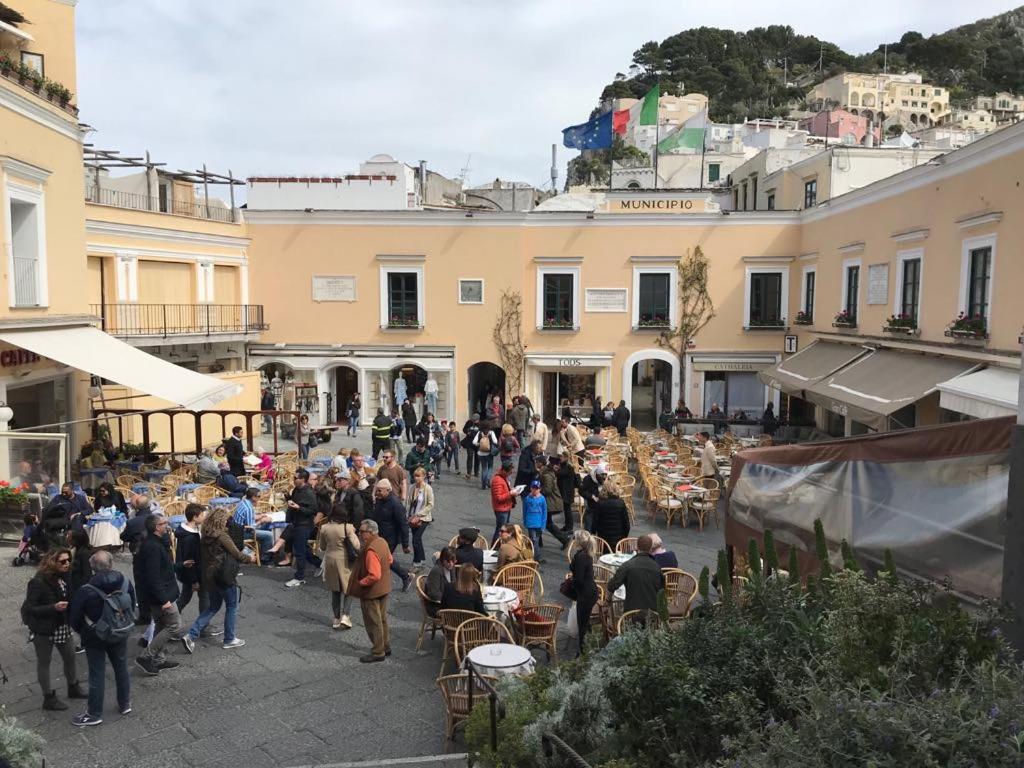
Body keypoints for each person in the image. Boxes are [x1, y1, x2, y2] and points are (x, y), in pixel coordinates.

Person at [68, 550, 134, 726]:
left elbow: (74, 617)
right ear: (111, 564)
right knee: (121, 667)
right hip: (119, 631)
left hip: (94, 634)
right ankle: (125, 703)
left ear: (92, 568)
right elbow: (133, 605)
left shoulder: (86, 590)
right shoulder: (125, 582)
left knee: (97, 673)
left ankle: (94, 713)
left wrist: (82, 631)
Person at [181, 508, 254, 653]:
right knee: (232, 606)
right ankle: (229, 639)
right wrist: (250, 558)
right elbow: (237, 554)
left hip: (209, 576)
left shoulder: (204, 535)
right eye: (226, 520)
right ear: (222, 521)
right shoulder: (222, 536)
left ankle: (191, 635)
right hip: (223, 576)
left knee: (213, 607)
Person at [21, 548, 86, 711]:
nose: (67, 564)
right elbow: (30, 608)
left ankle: (73, 687)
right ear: (52, 562)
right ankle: (48, 698)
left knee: (70, 657)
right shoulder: (38, 582)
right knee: (44, 662)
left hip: (62, 625)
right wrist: (53, 607)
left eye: (68, 560)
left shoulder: (64, 577)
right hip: (43, 629)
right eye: (62, 561)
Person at [134, 515, 185, 675]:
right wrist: (164, 599)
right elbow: (153, 576)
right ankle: (145, 656)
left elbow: (163, 568)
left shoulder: (154, 543)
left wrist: (179, 565)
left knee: (162, 625)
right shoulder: (153, 547)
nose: (167, 525)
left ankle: (159, 659)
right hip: (162, 595)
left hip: (160, 593)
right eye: (164, 524)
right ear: (157, 527)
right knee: (175, 625)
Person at [349, 519, 393, 663]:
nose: (360, 534)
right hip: (384, 587)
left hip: (371, 592)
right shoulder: (382, 542)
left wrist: (361, 582)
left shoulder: (370, 549)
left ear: (371, 532)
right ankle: (385, 646)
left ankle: (378, 652)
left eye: (362, 532)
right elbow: (390, 559)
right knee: (382, 619)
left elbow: (374, 575)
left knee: (373, 622)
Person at [317, 504, 361, 630]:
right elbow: (357, 545)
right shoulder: (348, 527)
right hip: (346, 561)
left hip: (330, 560)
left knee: (335, 590)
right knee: (349, 588)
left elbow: (323, 547)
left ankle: (336, 618)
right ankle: (346, 615)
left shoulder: (324, 528)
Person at [368, 479, 412, 592]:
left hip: (391, 538)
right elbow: (376, 515)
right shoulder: (380, 499)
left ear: (388, 490)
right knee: (384, 559)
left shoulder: (396, 504)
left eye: (379, 490)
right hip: (379, 535)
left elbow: (404, 524)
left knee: (384, 559)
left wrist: (405, 544)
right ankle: (404, 576)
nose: (377, 493)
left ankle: (405, 576)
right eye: (377, 490)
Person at [607, 534, 664, 614]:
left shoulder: (627, 565)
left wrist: (607, 600)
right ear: (651, 549)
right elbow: (662, 591)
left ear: (637, 547)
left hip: (631, 613)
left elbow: (612, 585)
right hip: (652, 614)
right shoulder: (657, 567)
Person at [284, 469, 322, 588]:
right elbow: (294, 502)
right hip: (296, 523)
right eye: (294, 478)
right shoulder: (297, 490)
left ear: (303, 480)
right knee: (303, 549)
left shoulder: (309, 493)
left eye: (296, 478)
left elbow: (313, 510)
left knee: (299, 552)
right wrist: (288, 497)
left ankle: (299, 577)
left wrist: (298, 507)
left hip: (304, 525)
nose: (294, 480)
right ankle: (320, 564)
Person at [568, 530, 599, 657]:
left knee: (582, 623)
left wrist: (573, 584)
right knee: (585, 621)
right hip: (590, 591)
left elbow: (579, 579)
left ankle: (583, 651)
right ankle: (589, 644)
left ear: (578, 542)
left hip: (586, 594)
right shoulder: (586, 554)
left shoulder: (581, 557)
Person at [174, 504, 208, 619]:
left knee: (185, 597)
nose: (204, 517)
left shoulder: (189, 531)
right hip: (195, 574)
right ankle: (203, 625)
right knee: (204, 597)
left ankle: (171, 618)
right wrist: (194, 580)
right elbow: (190, 561)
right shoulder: (190, 538)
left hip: (190, 573)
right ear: (195, 517)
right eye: (202, 515)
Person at [232, 487, 274, 561]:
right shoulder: (248, 508)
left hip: (237, 530)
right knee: (269, 535)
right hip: (242, 533)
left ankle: (265, 549)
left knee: (267, 525)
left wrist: (260, 516)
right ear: (253, 497)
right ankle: (265, 558)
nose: (259, 498)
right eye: (258, 496)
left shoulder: (244, 502)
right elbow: (251, 528)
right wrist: (261, 521)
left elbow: (248, 517)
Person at [590, 478, 631, 551]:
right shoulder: (621, 503)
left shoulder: (600, 503)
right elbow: (626, 523)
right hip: (619, 538)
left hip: (603, 538)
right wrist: (624, 536)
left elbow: (595, 522)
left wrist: (594, 533)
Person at [537, 458, 570, 548]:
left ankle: (564, 539)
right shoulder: (545, 473)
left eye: (537, 463)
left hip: (551, 503)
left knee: (546, 523)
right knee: (546, 523)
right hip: (550, 503)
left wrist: (537, 491)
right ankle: (538, 543)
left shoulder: (546, 475)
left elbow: (547, 490)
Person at [406, 467, 434, 570]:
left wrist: (419, 514)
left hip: (424, 518)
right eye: (415, 476)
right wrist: (408, 515)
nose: (416, 478)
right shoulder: (412, 487)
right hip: (412, 517)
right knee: (418, 539)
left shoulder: (427, 488)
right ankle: (422, 559)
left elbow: (430, 505)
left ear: (424, 476)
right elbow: (408, 503)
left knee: (415, 540)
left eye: (418, 476)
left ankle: (416, 562)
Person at [489, 459, 518, 544]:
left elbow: (503, 492)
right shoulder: (497, 480)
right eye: (509, 472)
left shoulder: (503, 477)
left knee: (504, 529)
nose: (510, 474)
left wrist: (512, 491)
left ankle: (501, 545)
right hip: (501, 509)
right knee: (500, 530)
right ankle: (495, 547)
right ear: (504, 470)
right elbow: (498, 498)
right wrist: (510, 493)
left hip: (506, 507)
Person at [423, 547, 457, 611]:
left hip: (448, 600)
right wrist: (449, 600)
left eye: (453, 561)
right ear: (442, 560)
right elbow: (433, 593)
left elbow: (453, 583)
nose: (451, 564)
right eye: (448, 561)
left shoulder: (452, 567)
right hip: (437, 605)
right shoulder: (436, 571)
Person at [522, 480, 548, 561]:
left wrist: (543, 525)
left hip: (539, 523)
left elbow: (544, 512)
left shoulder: (542, 499)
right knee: (533, 540)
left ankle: (531, 556)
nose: (535, 490)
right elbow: (524, 510)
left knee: (535, 541)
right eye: (533, 488)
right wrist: (525, 521)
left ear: (540, 489)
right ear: (530, 488)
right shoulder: (527, 499)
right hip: (530, 523)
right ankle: (536, 557)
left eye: (537, 488)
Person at [555, 454, 580, 534]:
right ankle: (567, 526)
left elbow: (560, 474)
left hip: (567, 492)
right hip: (566, 491)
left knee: (568, 510)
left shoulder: (568, 467)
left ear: (565, 457)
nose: (560, 458)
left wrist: (556, 469)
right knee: (566, 510)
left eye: (561, 457)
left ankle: (569, 528)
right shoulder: (565, 466)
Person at [579, 463, 607, 532]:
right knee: (588, 530)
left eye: (605, 475)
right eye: (602, 475)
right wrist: (591, 496)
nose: (604, 477)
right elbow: (581, 491)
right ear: (597, 474)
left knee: (600, 529)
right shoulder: (588, 479)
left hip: (602, 508)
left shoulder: (606, 478)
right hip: (591, 507)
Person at [69, 529, 94, 601]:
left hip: (79, 588)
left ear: (76, 540)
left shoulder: (84, 554)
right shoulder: (75, 550)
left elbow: (87, 574)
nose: (67, 538)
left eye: (70, 537)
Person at [474, 422, 498, 490]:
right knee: (490, 467)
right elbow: (495, 441)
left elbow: (474, 442)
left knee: (484, 468)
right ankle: (487, 478)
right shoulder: (491, 432)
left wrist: (479, 444)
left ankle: (483, 485)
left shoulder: (479, 433)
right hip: (489, 453)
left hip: (480, 453)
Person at [461, 413, 481, 480]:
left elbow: (483, 432)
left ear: (478, 419)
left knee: (477, 458)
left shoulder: (481, 424)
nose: (474, 421)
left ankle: (476, 472)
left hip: (478, 444)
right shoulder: (469, 422)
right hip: (469, 443)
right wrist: (467, 431)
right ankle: (468, 473)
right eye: (473, 420)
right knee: (469, 457)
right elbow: (464, 429)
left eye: (475, 420)